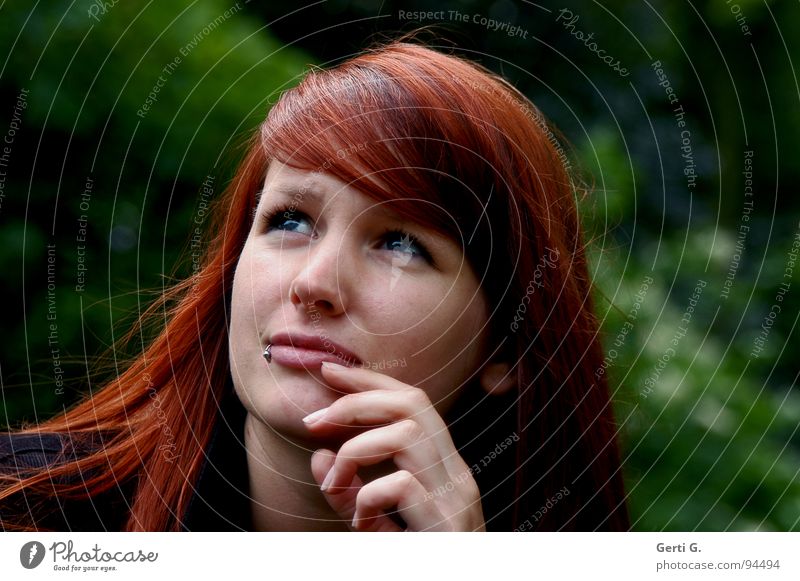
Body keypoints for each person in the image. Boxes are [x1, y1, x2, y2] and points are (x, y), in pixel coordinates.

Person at [0, 39, 629, 532]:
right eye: (289, 220)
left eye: (402, 243)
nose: (314, 283)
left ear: (507, 348)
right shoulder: (24, 515)